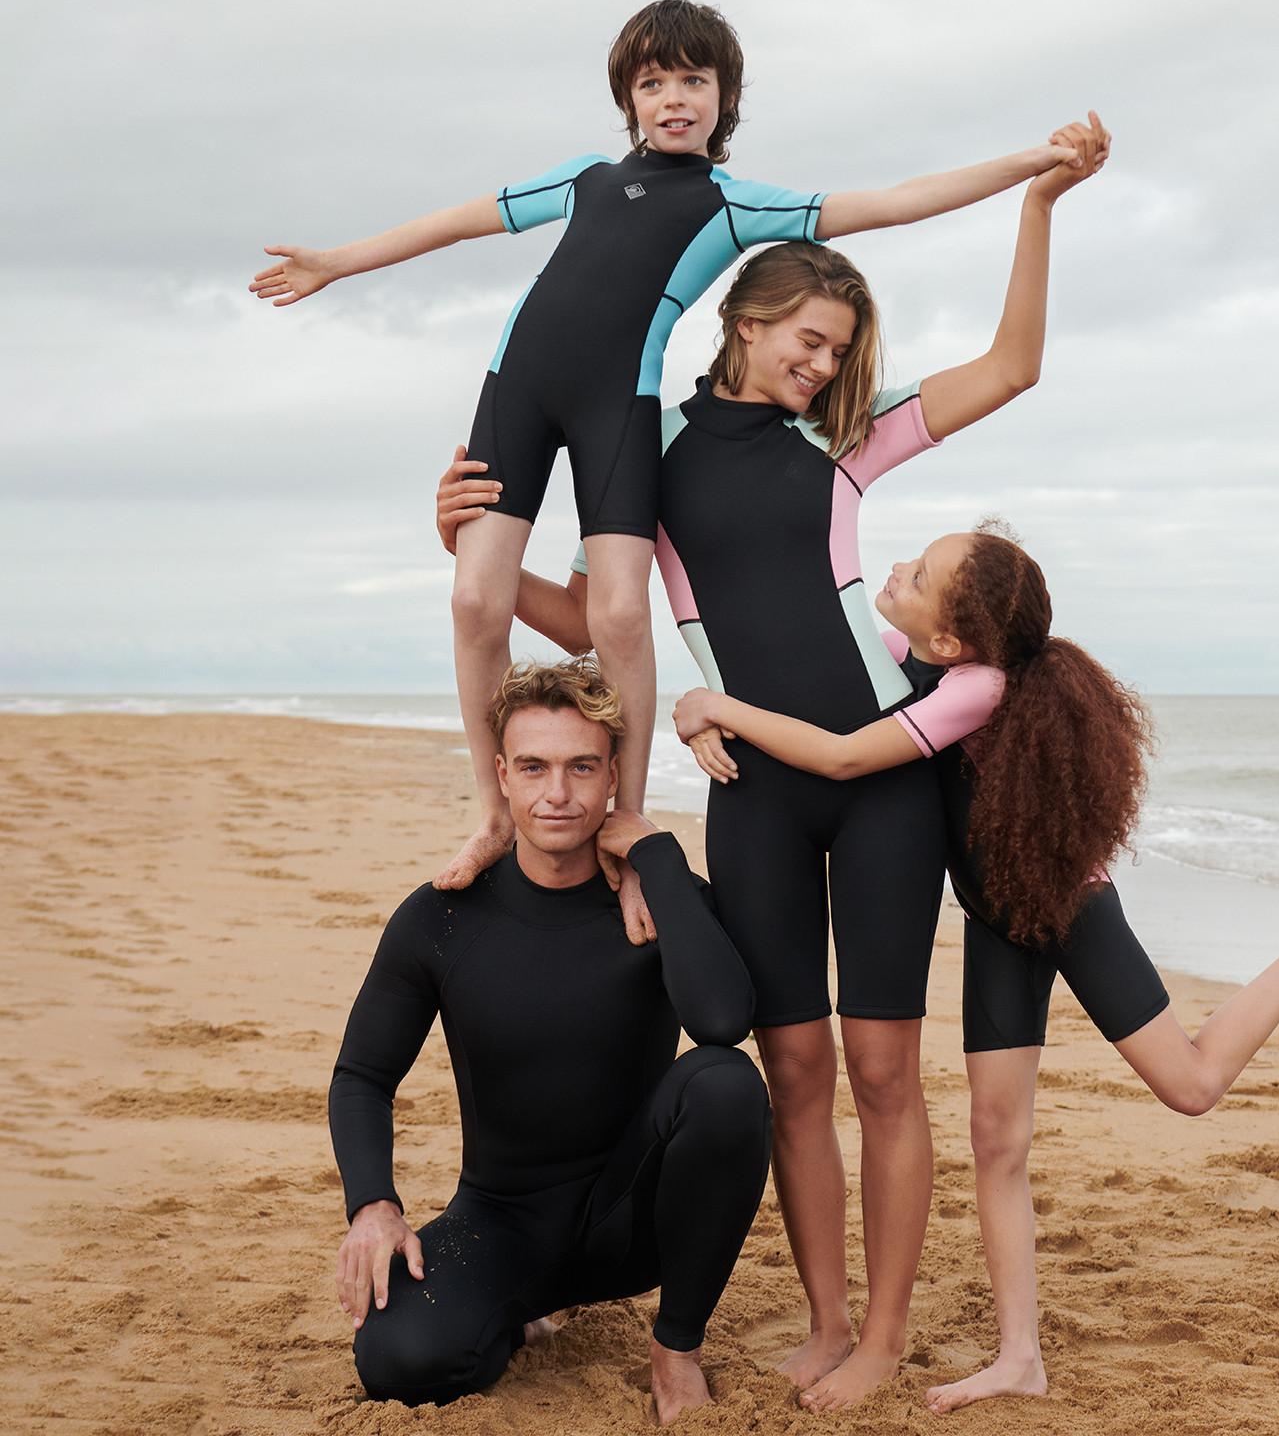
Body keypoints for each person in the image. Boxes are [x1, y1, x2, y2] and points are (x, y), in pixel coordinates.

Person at [432, 119, 1113, 1410]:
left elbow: (1014, 366)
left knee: (880, 1072)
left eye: (840, 352)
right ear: (744, 321)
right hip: (753, 798)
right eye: (808, 339)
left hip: (885, 800)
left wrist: (1037, 207)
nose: (821, 364)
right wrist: (466, 548)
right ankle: (826, 1317)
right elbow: (592, 621)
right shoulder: (654, 471)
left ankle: (887, 1336)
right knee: (794, 1071)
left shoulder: (842, 445)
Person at [249, 0, 1100, 915]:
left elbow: (891, 204)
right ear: (629, 98)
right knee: (472, 597)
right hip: (517, 388)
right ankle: (492, 811)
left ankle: (629, 815)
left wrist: (1032, 167)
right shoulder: (583, 180)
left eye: (696, 80)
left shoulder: (733, 205)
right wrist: (336, 263)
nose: (675, 98)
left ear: (725, 96)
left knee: (620, 614)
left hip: (621, 404)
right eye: (654, 83)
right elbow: (457, 222)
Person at [670, 521, 1279, 1413]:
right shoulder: (918, 655)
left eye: (918, 575)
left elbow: (841, 755)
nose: (898, 569)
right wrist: (699, 694)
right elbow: (817, 664)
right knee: (998, 1142)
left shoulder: (975, 686)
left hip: (1067, 909)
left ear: (953, 640)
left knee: (1192, 1084)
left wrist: (718, 708)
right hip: (995, 921)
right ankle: (1019, 1356)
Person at [327, 658, 770, 1424]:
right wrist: (374, 1205)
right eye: (533, 767)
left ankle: (676, 1347)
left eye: (581, 767)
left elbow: (724, 1020)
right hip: (501, 1222)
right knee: (397, 1361)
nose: (557, 794)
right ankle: (515, 1316)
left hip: (638, 1220)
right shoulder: (444, 917)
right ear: (502, 775)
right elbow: (362, 1074)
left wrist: (655, 856)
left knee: (726, 1083)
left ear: (611, 777)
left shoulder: (656, 897)